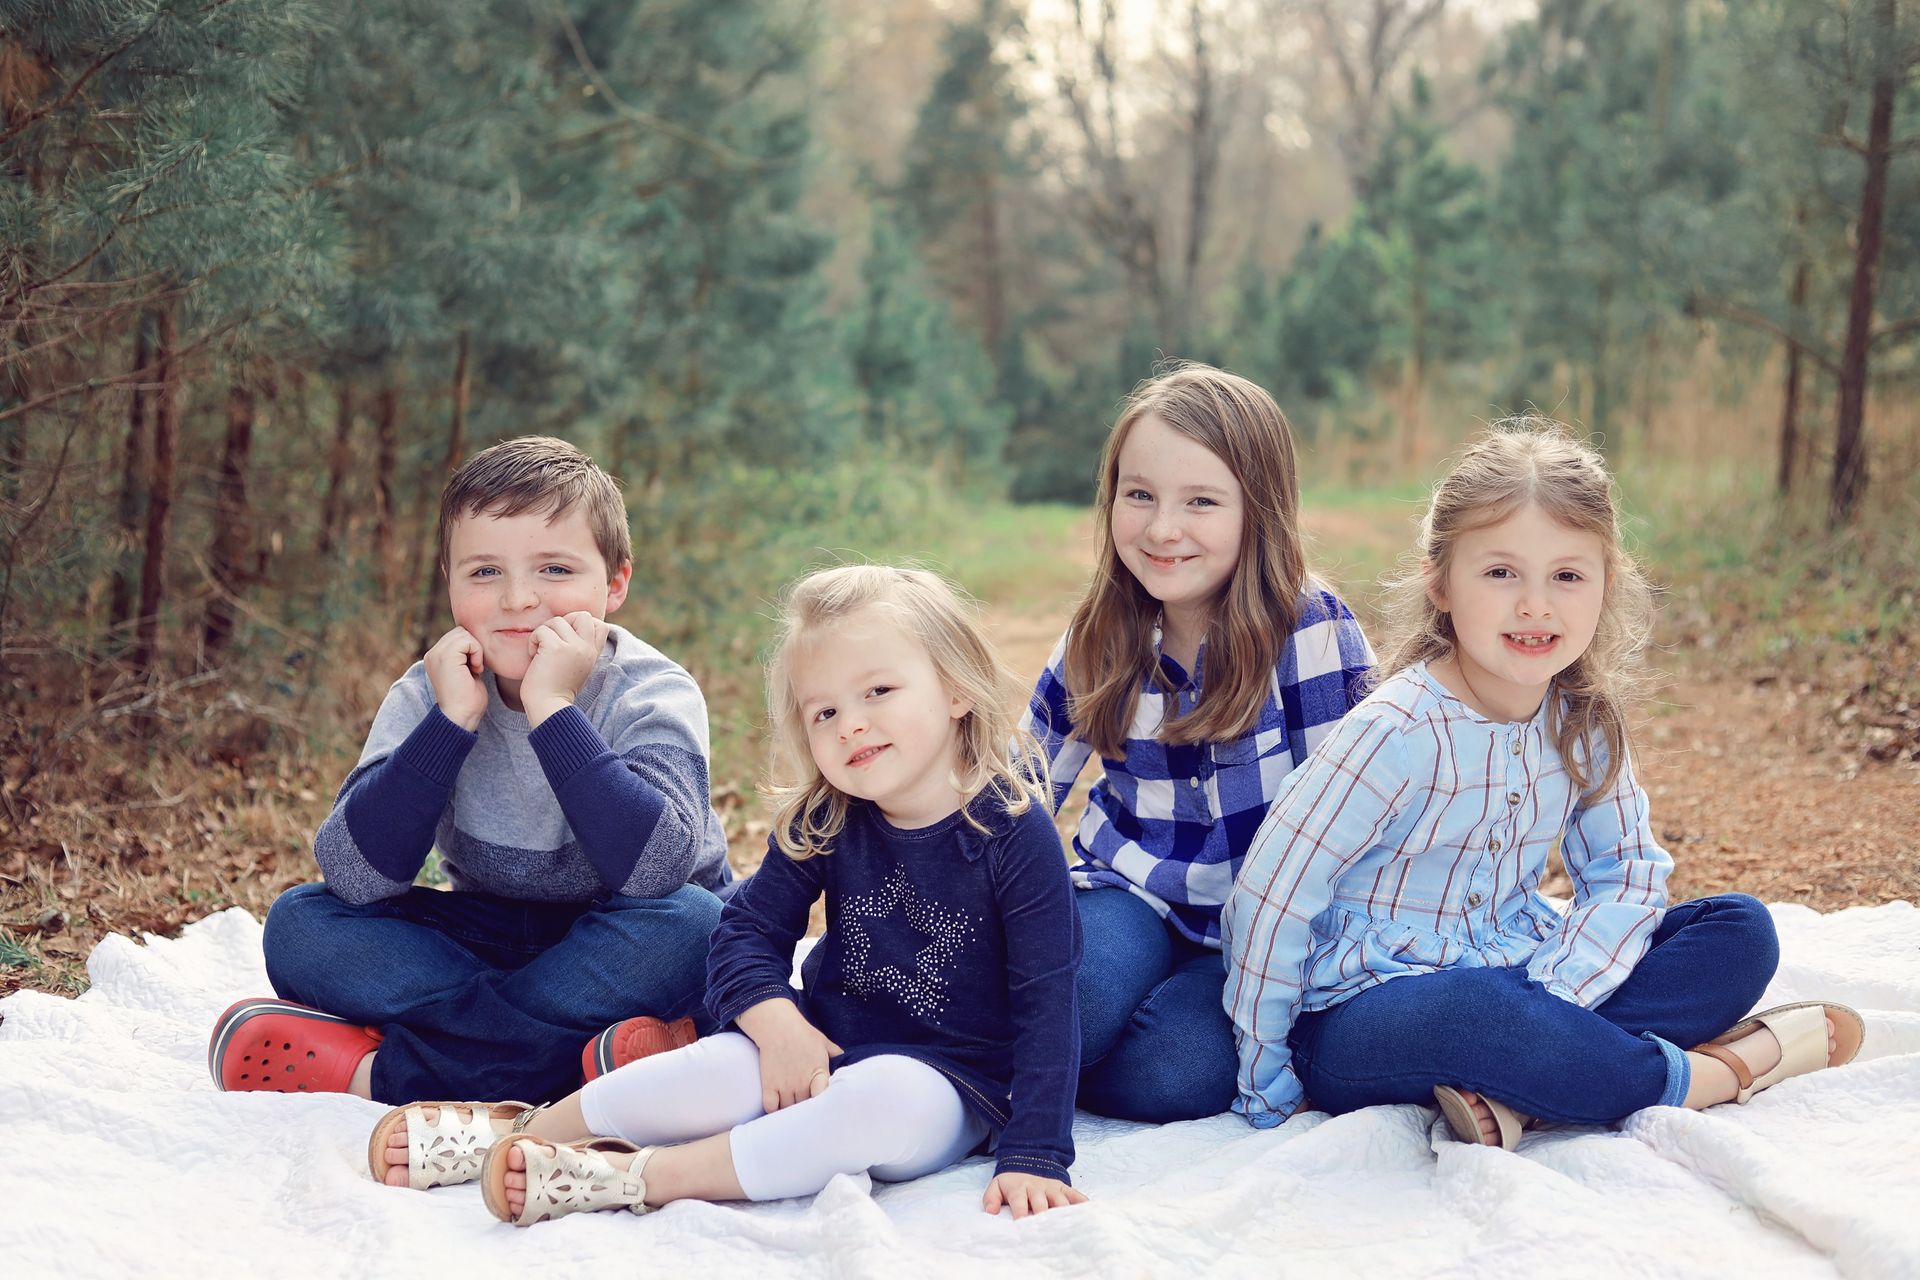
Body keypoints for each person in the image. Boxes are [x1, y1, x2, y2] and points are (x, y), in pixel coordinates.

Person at [365, 565, 1086, 1223]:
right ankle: (526, 1130)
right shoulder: (828, 816)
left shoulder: (1011, 834)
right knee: (717, 1065)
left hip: (950, 1083)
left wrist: (1036, 1153)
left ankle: (644, 1177)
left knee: (881, 1101)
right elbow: (741, 932)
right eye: (823, 712)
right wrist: (779, 1026)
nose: (852, 723)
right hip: (824, 1044)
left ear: (956, 689)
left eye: (879, 692)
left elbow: (1049, 1002)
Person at [1221, 420, 1863, 1147]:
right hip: (1366, 1015)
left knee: (1739, 930)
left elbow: (1626, 873)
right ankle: (1711, 1075)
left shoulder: (1581, 721)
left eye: (1567, 575)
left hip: (1520, 974)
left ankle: (1525, 1095)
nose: (1536, 605)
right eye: (1500, 573)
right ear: (1440, 582)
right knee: (1480, 1012)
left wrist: (1556, 997)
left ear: (1605, 585)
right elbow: (1270, 899)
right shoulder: (1395, 732)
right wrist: (1268, 1081)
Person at [208, 436, 733, 1107]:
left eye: (555, 570)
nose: (518, 599)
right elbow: (356, 876)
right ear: (450, 584)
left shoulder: (651, 691)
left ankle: (389, 1075)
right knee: (301, 924)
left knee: (699, 924)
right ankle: (587, 1059)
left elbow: (656, 872)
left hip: (630, 933)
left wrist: (551, 707)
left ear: (617, 583)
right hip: (487, 938)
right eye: (484, 573)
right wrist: (450, 725)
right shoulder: (431, 693)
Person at [1021, 363, 1374, 1122]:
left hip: (1260, 926)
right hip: (1129, 891)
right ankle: (1034, 1051)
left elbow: (1348, 819)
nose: (1161, 529)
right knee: (1072, 995)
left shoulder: (1310, 630)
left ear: (1260, 510)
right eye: (1138, 494)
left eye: (1202, 502)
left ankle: (1049, 1065)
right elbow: (1020, 789)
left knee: (1177, 1074)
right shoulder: (1102, 634)